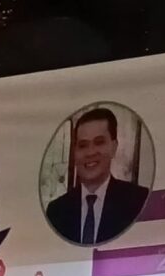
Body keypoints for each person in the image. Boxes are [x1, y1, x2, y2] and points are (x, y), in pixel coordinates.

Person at [45, 105, 151, 246]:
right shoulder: (56, 211)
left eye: (99, 142)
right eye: (83, 145)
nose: (90, 152)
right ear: (74, 152)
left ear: (114, 147)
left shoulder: (139, 201)